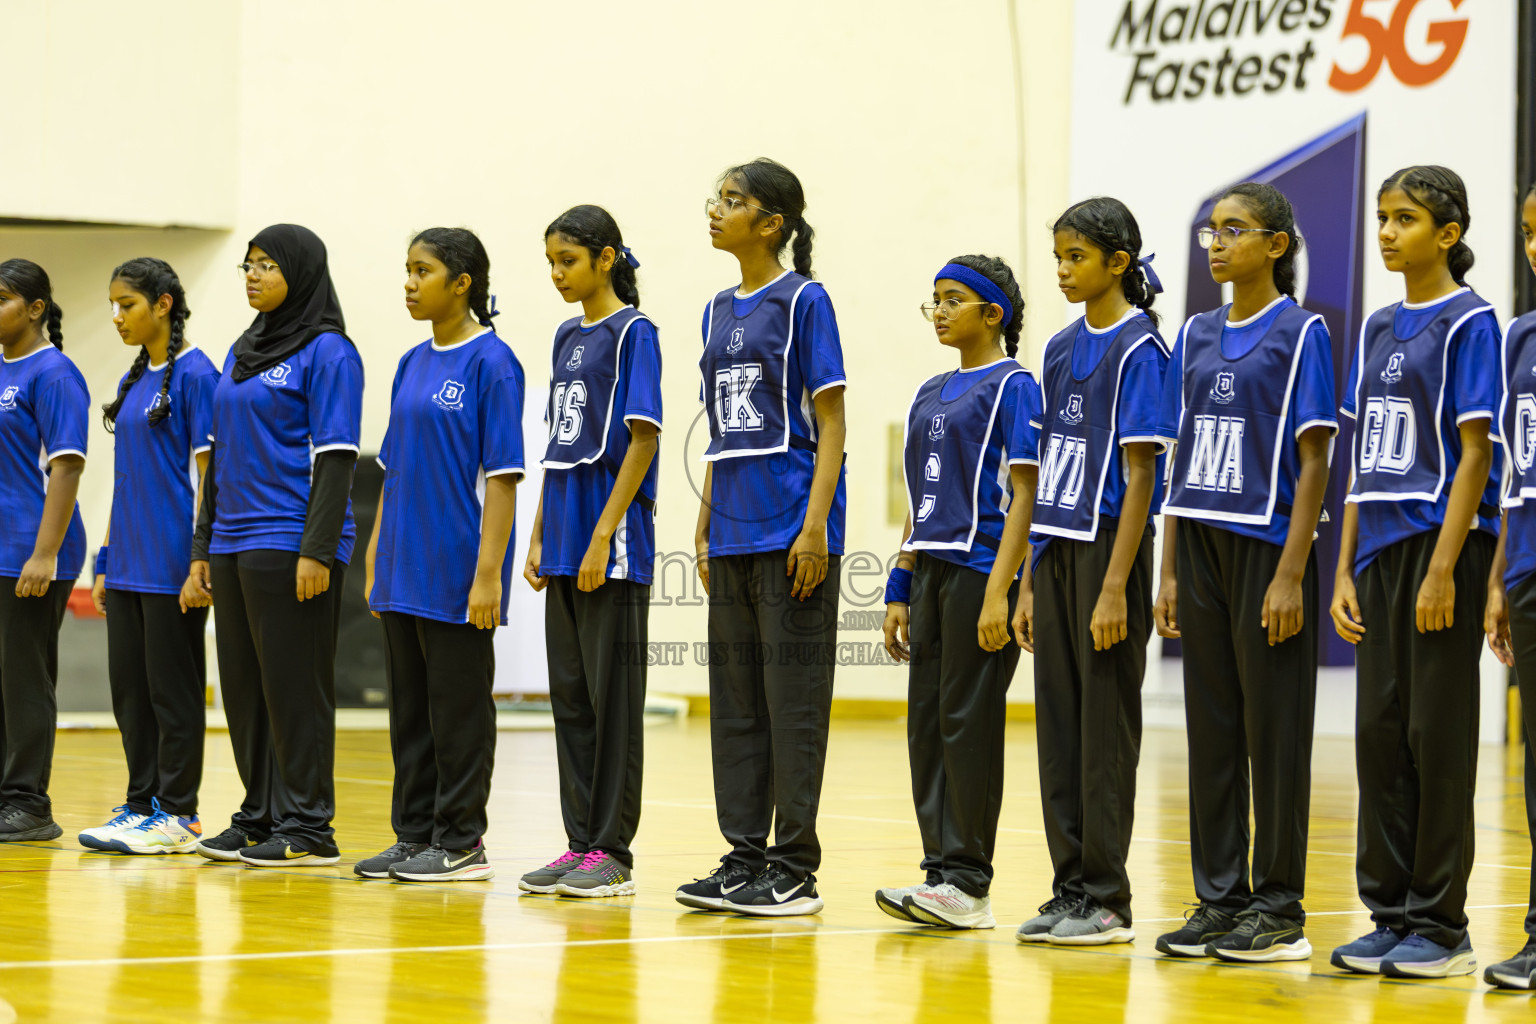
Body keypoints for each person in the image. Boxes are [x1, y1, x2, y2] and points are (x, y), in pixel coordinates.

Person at [1152, 183, 1335, 961]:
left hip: (1268, 547)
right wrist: (1166, 570)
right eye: (1211, 231)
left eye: (1235, 230)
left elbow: (1315, 458)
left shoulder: (1302, 331)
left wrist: (1292, 573)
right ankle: (1219, 899)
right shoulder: (1194, 333)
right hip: (1198, 543)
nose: (1218, 244)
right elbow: (1177, 456)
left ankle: (1280, 908)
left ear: (1276, 244)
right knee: (1213, 729)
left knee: (1275, 733)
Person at [1329, 165, 1500, 979]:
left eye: (1405, 218)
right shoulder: (1376, 327)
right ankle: (1389, 913)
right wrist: (1344, 566)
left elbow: (1475, 453)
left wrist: (1443, 568)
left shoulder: (1472, 323)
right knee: (1380, 736)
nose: (1388, 232)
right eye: (1382, 217)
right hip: (1377, 550)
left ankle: (1442, 925)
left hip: (1442, 548)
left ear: (1449, 233)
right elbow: (1361, 456)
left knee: (1438, 737)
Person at [675, 158, 847, 917]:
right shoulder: (716, 309)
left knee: (792, 703)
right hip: (733, 531)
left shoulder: (806, 300)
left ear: (772, 222)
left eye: (733, 200)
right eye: (716, 198)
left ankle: (794, 867)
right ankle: (743, 855)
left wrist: (815, 527)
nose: (715, 210)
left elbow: (832, 422)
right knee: (737, 704)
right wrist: (705, 524)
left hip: (790, 528)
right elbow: (719, 429)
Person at [184, 224, 364, 867]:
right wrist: (202, 549)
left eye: (268, 264)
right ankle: (259, 815)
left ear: (301, 272)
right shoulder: (242, 349)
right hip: (232, 540)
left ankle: (308, 825)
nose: (253, 275)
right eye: (248, 264)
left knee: (295, 688)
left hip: (290, 539)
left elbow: (337, 457)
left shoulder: (329, 352)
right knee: (244, 689)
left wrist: (317, 549)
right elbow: (219, 456)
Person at [1014, 197, 1167, 945]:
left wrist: (1114, 586)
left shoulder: (1142, 349)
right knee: (1060, 732)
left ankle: (1107, 899)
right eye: (1059, 258)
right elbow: (1046, 469)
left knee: (1105, 733)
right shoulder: (1057, 348)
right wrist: (1028, 581)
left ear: (1118, 261)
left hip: (1111, 550)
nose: (1063, 271)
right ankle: (1068, 887)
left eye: (1076, 257)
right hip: (1056, 547)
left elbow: (1142, 475)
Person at [876, 255, 1039, 930]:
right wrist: (899, 583)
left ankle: (970, 883)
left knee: (968, 724)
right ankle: (939, 873)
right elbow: (919, 498)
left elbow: (1027, 492)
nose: (939, 312)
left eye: (952, 300)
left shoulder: (1016, 387)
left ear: (992, 313)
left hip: (982, 571)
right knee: (927, 725)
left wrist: (1004, 590)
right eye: (934, 300)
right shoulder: (928, 391)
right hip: (931, 573)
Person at [358, 227, 522, 882]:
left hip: (457, 571)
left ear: (462, 283)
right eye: (407, 269)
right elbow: (392, 470)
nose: (408, 283)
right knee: (410, 714)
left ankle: (461, 842)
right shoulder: (410, 362)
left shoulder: (493, 362)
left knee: (458, 713)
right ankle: (413, 834)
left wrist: (489, 577)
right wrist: (376, 556)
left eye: (422, 271)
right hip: (402, 567)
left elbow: (503, 478)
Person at [519, 206, 660, 898]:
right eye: (550, 262)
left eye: (568, 260)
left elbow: (643, 439)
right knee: (572, 702)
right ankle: (580, 845)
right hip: (565, 541)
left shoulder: (636, 332)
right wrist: (540, 532)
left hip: (613, 546)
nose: (556, 274)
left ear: (606, 259)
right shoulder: (563, 337)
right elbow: (558, 444)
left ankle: (613, 852)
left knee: (613, 706)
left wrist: (603, 534)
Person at [79, 258, 219, 855]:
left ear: (163, 304)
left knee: (172, 693)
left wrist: (200, 559)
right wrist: (106, 557)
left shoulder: (199, 375)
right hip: (128, 563)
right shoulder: (134, 379)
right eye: (112, 305)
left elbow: (211, 477)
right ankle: (141, 806)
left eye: (127, 304)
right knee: (131, 694)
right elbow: (124, 479)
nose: (116, 316)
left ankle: (178, 814)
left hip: (173, 564)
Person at [0, 259, 87, 842]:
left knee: (24, 677)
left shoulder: (54, 374)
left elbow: (67, 466)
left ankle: (28, 803)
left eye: (1, 299)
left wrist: (44, 552)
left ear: (35, 309)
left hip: (32, 551)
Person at [1480, 178, 1536, 990]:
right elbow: (1511, 476)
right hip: (1527, 571)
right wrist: (1497, 580)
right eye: (1529, 230)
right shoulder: (1520, 336)